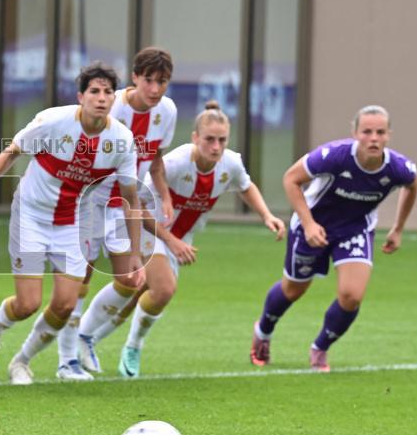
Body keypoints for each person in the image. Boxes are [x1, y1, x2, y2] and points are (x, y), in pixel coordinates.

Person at [0, 62, 142, 385]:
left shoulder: (122, 141)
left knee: (66, 304)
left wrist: (137, 252)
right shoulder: (53, 122)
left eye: (108, 92)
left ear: (114, 99)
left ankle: (22, 361)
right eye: (94, 91)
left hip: (71, 223)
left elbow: (131, 198)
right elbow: (11, 151)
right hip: (30, 217)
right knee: (28, 303)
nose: (101, 98)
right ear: (81, 96)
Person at [79, 101, 286, 378]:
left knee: (139, 295)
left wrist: (266, 215)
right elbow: (137, 206)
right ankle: (127, 345)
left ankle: (89, 339)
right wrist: (172, 241)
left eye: (222, 140)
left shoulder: (230, 164)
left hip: (180, 237)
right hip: (149, 229)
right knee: (163, 289)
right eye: (209, 139)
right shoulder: (175, 164)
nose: (216, 146)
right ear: (195, 138)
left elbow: (246, 186)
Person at [249, 105, 417, 372]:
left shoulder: (399, 168)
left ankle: (320, 348)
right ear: (355, 133)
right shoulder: (334, 156)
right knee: (294, 289)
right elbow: (291, 179)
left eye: (380, 132)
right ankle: (263, 331)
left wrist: (398, 228)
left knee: (352, 296)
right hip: (313, 225)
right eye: (366, 132)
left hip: (354, 230)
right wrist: (308, 224)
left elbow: (413, 185)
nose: (373, 138)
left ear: (388, 136)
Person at [61, 46, 178, 380]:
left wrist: (165, 195)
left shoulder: (166, 112)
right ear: (135, 78)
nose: (155, 89)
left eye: (163, 82)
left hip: (125, 204)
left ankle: (84, 336)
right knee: (81, 277)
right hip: (90, 200)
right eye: (149, 81)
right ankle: (66, 359)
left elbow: (155, 160)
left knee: (131, 279)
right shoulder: (113, 106)